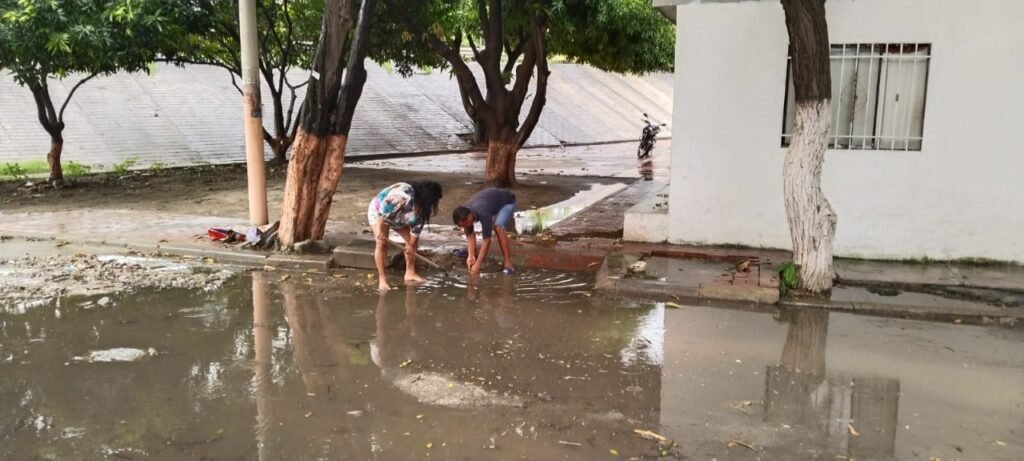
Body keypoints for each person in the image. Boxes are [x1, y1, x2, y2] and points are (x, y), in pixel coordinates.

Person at [367, 181, 443, 291]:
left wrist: (411, 245)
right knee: (381, 243)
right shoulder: (401, 196)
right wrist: (379, 231)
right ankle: (382, 279)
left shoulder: (422, 209)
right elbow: (382, 214)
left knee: (412, 244)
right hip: (379, 212)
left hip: (399, 217)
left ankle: (410, 272)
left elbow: (415, 231)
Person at [452, 188, 516, 276]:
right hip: (490, 202)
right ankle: (474, 253)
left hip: (508, 201)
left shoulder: (483, 212)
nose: (465, 227)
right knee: (471, 250)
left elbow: (487, 241)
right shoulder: (464, 211)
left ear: (470, 216)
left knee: (498, 227)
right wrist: (471, 256)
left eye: (466, 224)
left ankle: (508, 263)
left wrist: (478, 264)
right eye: (463, 226)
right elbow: (470, 235)